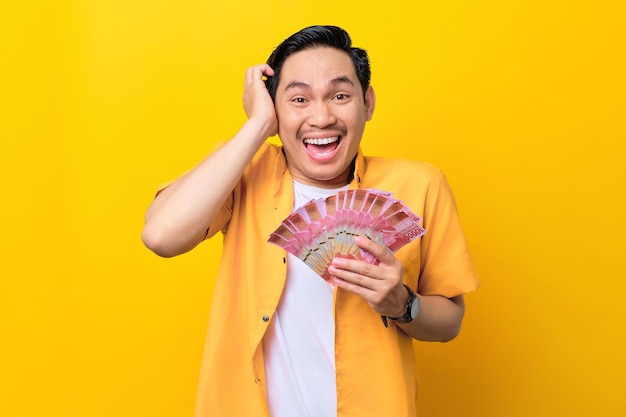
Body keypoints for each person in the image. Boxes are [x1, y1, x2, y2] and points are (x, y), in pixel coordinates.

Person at [142, 25, 479, 417]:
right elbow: (160, 235)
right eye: (299, 99)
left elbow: (449, 321)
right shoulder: (243, 170)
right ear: (274, 108)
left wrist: (402, 303)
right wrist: (255, 128)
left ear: (367, 102)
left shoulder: (420, 184)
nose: (321, 117)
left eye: (339, 95)